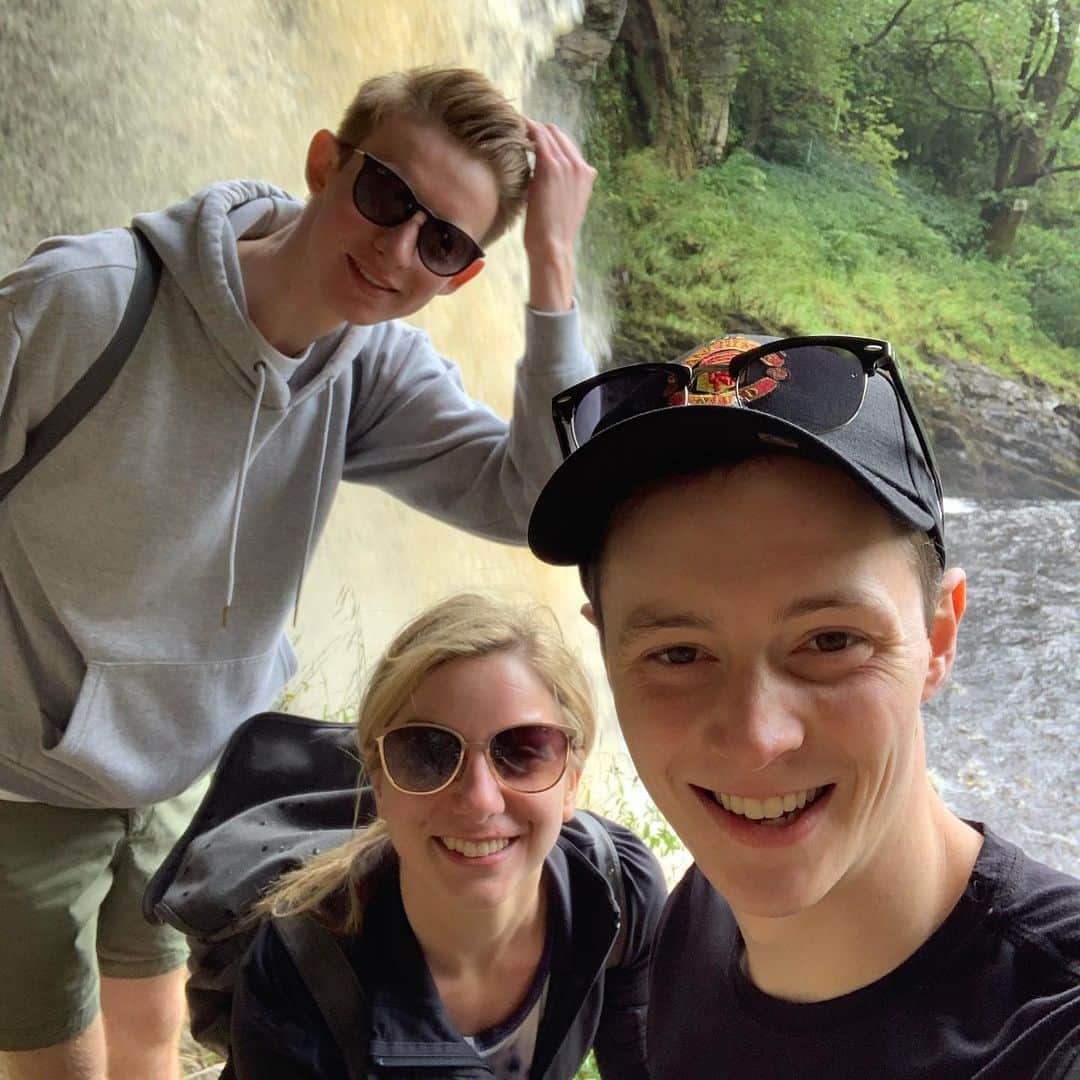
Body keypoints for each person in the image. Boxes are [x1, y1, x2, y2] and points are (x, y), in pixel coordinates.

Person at [0, 67, 596, 1078]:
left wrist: (552, 266)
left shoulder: (368, 368)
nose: (399, 248)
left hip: (177, 775)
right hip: (18, 785)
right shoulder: (86, 301)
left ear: (460, 274)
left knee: (153, 1042)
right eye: (385, 195)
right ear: (326, 162)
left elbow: (539, 503)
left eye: (444, 242)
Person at [527, 334, 1080, 1079]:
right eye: (679, 654)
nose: (758, 739)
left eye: (830, 641)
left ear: (939, 636)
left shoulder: (1051, 1026)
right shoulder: (696, 920)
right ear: (607, 655)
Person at [225, 592, 667, 1079]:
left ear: (571, 784)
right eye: (428, 752)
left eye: (522, 750)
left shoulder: (616, 889)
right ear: (379, 781)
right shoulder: (304, 966)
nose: (480, 799)